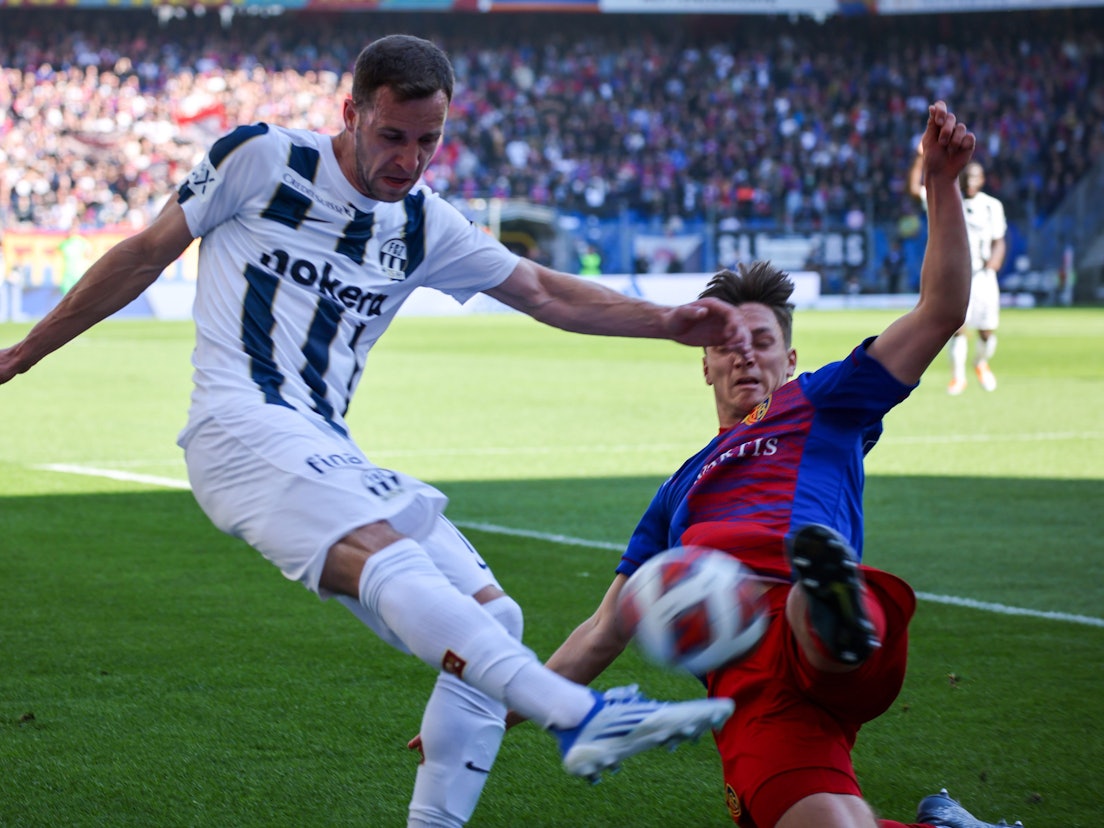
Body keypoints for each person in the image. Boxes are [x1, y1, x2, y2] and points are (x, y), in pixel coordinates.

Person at [0, 35, 746, 828]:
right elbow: (145, 255)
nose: (410, 160)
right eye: (393, 136)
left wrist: (667, 321)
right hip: (237, 424)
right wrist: (22, 352)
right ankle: (580, 716)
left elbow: (541, 292)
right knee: (385, 555)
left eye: (429, 141)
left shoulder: (424, 223)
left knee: (494, 617)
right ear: (351, 112)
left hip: (326, 445)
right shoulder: (261, 159)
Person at [523, 103, 1022, 827]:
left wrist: (939, 184)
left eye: (760, 339)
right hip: (751, 684)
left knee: (809, 601)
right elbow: (606, 629)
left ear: (791, 358)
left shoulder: (825, 399)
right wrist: (508, 702)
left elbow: (942, 308)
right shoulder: (679, 489)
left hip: (815, 625)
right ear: (704, 367)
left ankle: (828, 602)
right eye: (726, 343)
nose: (744, 353)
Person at [908, 145, 1006, 395]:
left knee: (986, 331)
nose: (971, 181)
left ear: (983, 180)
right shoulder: (948, 200)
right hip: (957, 276)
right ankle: (958, 377)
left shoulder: (992, 206)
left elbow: (999, 240)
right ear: (960, 177)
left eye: (975, 177)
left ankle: (981, 363)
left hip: (984, 276)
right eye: (967, 176)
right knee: (958, 328)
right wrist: (920, 157)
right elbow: (913, 191)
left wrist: (994, 262)